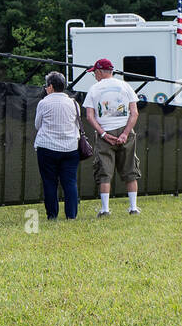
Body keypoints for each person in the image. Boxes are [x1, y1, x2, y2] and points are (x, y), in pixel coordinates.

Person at [82, 58, 141, 216]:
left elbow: (89, 116)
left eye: (95, 72)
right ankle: (133, 207)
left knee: (104, 172)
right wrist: (125, 133)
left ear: (100, 72)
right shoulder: (125, 86)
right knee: (130, 170)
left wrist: (103, 134)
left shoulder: (94, 89)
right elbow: (134, 113)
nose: (95, 75)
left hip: (105, 133)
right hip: (125, 131)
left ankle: (105, 209)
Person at [33, 71, 80, 219]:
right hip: (70, 147)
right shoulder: (73, 103)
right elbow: (78, 125)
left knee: (49, 182)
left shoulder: (43, 102)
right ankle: (71, 215)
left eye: (46, 86)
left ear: (51, 86)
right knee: (70, 182)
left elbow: (37, 124)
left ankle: (52, 215)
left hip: (47, 147)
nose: (46, 88)